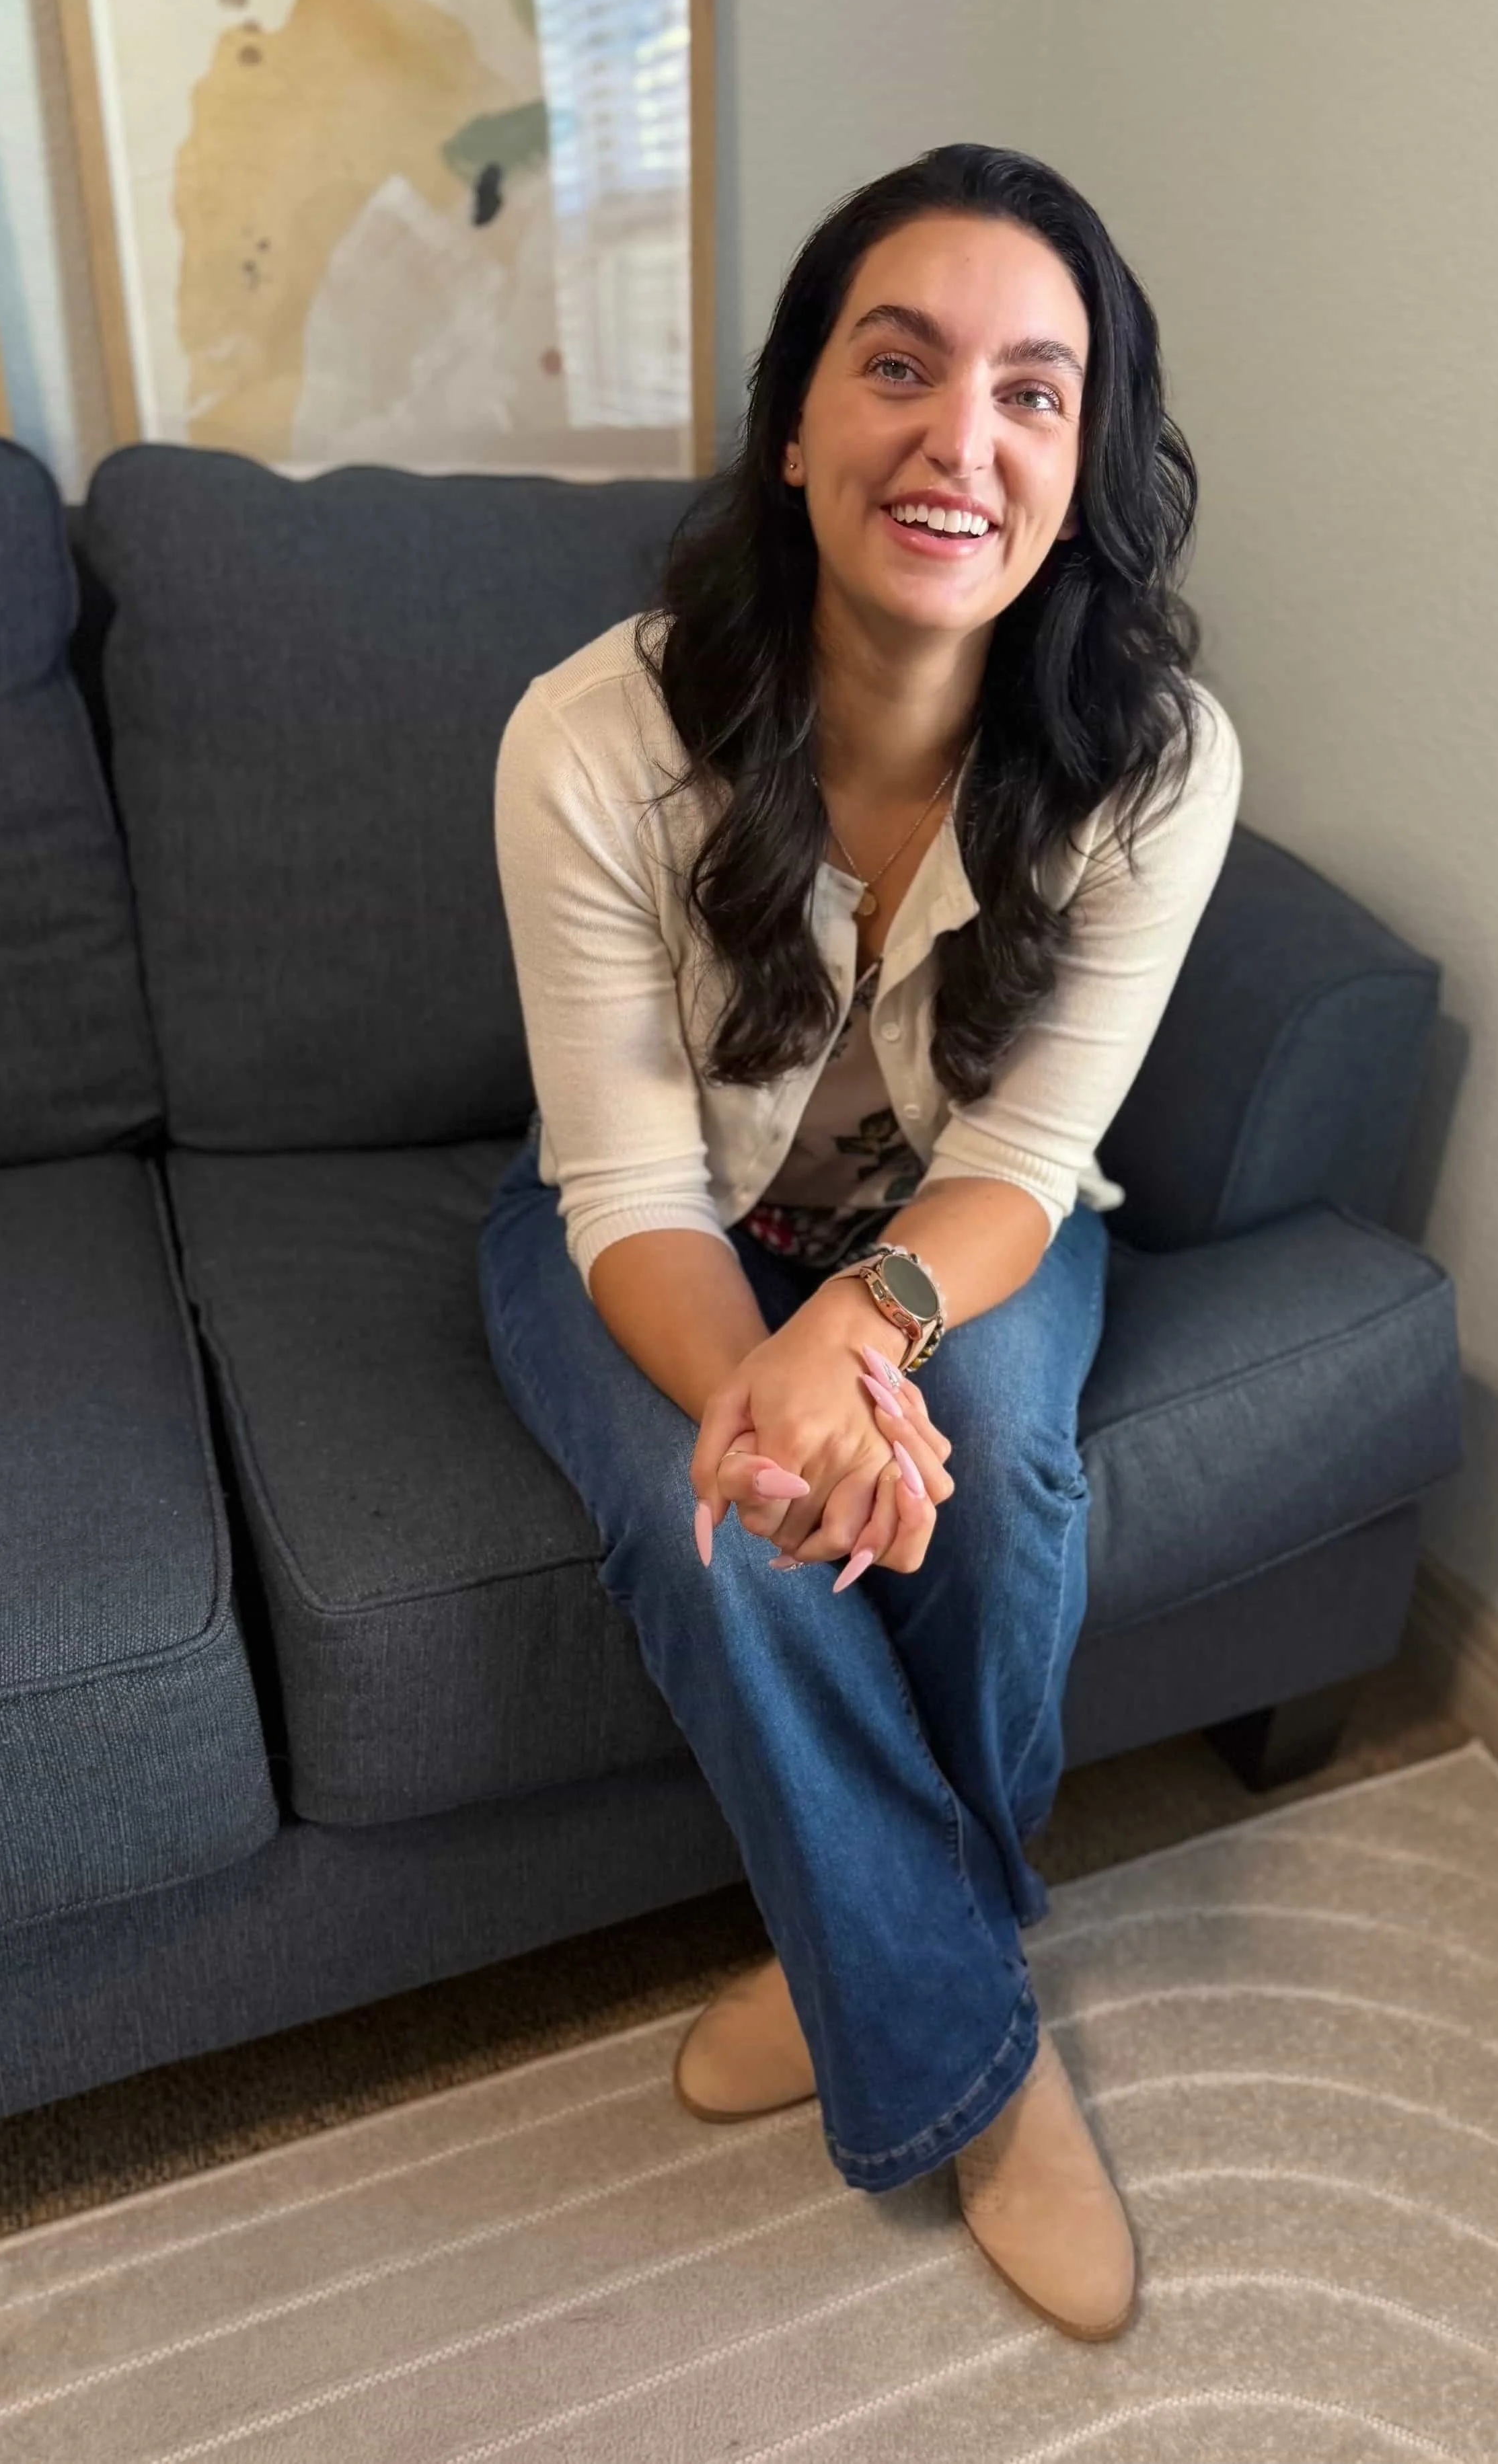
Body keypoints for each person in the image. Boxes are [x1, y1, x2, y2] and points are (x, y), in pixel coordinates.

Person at [477, 141, 1242, 2343]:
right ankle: (976, 2065)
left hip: (961, 1233)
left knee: (991, 1468)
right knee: (710, 1507)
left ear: (1084, 459)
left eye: (1032, 390)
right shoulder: (588, 740)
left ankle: (866, 1963)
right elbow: (625, 1181)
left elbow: (1031, 1141)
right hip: (665, 1238)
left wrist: (877, 1325)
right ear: (795, 419)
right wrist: (773, 1391)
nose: (958, 436)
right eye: (896, 366)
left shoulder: (1154, 762)